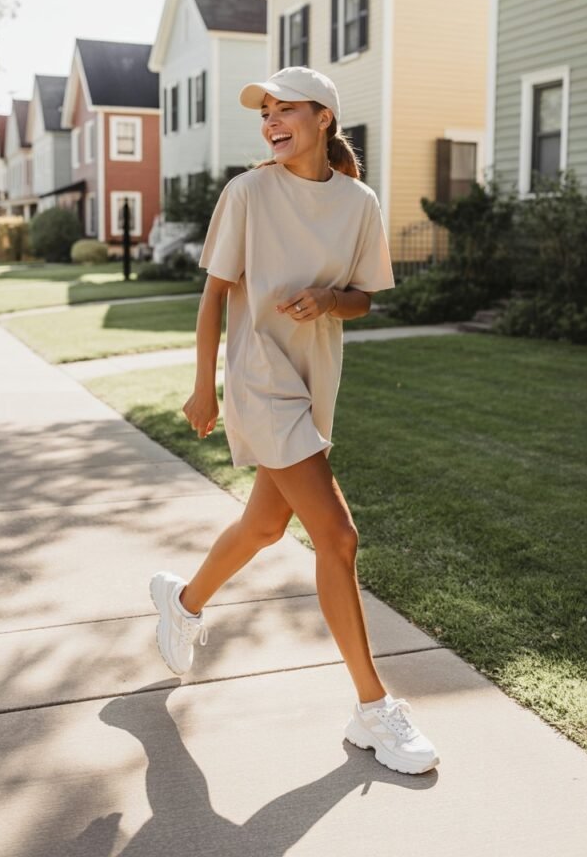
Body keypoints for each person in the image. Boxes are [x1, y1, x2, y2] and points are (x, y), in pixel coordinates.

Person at [150, 67, 439, 775]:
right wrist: (203, 386)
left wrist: (327, 298)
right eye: (266, 113)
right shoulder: (247, 192)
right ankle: (374, 709)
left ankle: (180, 603)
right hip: (258, 377)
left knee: (265, 526)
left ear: (323, 119)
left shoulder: (360, 202)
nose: (271, 122)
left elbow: (365, 299)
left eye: (286, 110)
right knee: (337, 536)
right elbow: (215, 295)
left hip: (313, 384)